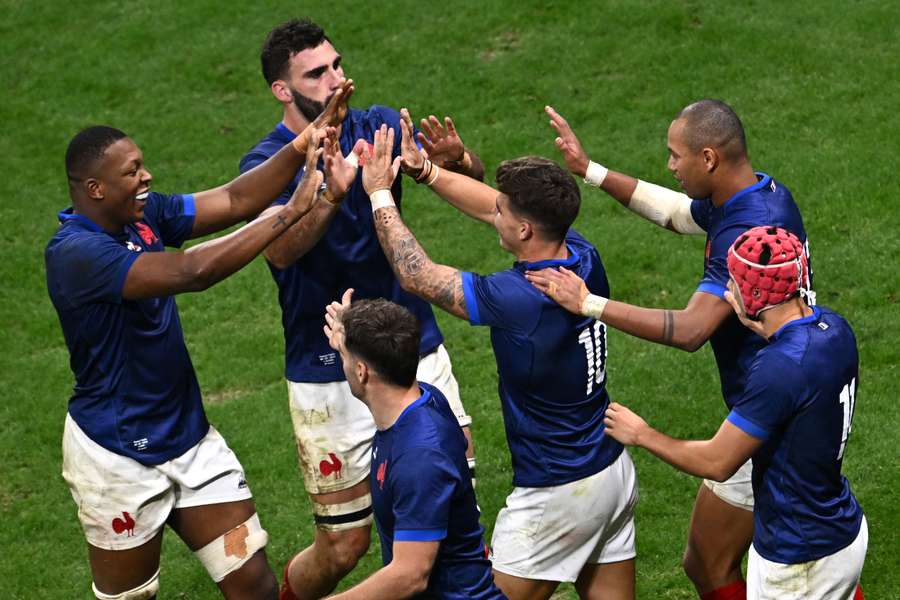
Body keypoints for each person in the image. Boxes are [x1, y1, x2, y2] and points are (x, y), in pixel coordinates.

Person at [46, 107, 350, 600]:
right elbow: (191, 272)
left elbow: (234, 197)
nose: (146, 176)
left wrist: (299, 147)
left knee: (254, 584)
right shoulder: (76, 254)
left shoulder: (145, 218)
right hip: (115, 453)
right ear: (95, 189)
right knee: (132, 597)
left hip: (188, 438)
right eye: (131, 171)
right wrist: (290, 211)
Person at [239, 18, 486, 600]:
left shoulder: (378, 125)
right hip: (327, 366)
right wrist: (330, 194)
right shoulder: (270, 162)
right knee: (344, 545)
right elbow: (277, 250)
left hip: (412, 345)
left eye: (337, 65)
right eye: (317, 73)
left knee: (454, 510)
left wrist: (461, 161)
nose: (336, 79)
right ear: (283, 89)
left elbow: (460, 184)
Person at [528, 99, 812, 600]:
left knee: (794, 568)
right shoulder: (755, 195)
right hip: (776, 399)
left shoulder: (748, 230)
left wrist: (588, 302)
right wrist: (589, 169)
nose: (670, 166)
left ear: (708, 158)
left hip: (775, 414)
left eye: (676, 156)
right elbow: (677, 213)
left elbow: (691, 329)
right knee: (712, 561)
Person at [360, 123, 638, 600]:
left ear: (526, 229)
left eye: (502, 210)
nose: (494, 211)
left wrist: (380, 195)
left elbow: (416, 274)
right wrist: (426, 171)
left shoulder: (521, 297)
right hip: (611, 474)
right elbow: (490, 205)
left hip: (558, 492)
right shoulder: (582, 256)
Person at [603, 226, 866, 600]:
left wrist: (642, 434)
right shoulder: (836, 329)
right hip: (842, 529)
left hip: (798, 559)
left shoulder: (777, 369)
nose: (728, 290)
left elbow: (718, 462)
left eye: (734, 283)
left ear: (754, 294)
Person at [316, 293, 505, 599]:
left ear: (362, 372)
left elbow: (409, 576)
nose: (343, 363)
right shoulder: (425, 398)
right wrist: (349, 341)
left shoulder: (419, 457)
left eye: (344, 359)